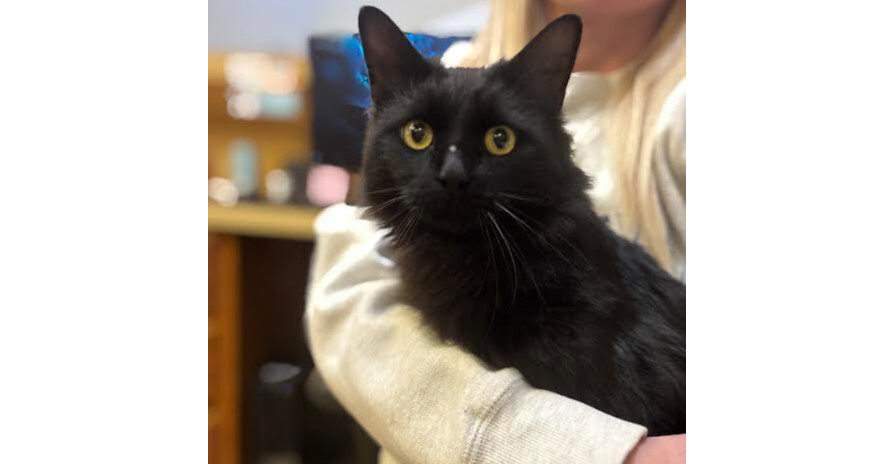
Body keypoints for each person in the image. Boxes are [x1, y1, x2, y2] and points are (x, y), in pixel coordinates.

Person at [304, 0, 686, 462]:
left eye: (497, 141)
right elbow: (342, 293)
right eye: (418, 136)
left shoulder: (682, 111)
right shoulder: (456, 65)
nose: (452, 173)